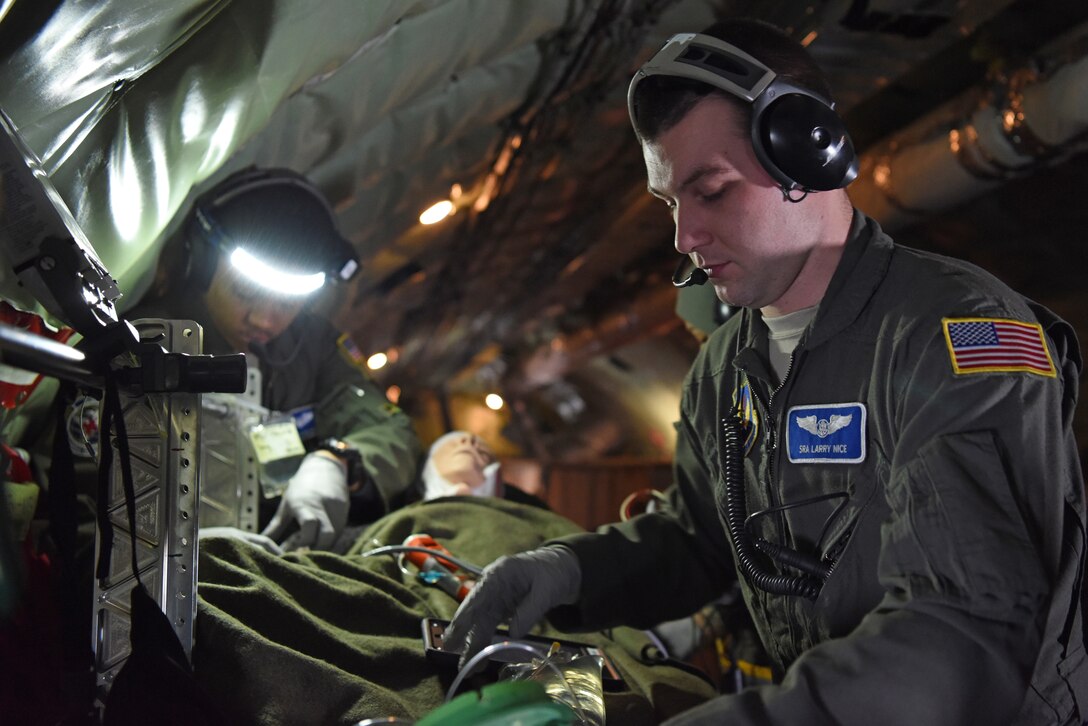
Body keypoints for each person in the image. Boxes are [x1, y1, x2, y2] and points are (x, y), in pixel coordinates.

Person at [446, 18, 1088, 724]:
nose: (683, 237)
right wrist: (565, 570)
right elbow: (698, 537)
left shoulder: (957, 334)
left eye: (711, 190)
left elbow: (964, 632)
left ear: (807, 159)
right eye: (670, 202)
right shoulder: (724, 366)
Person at [131, 167, 421, 550]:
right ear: (201, 263)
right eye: (245, 291)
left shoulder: (314, 346)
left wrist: (339, 462)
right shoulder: (148, 346)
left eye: (288, 303)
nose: (266, 319)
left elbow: (391, 430)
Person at [419, 430, 547, 509]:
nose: (468, 441)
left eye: (483, 453)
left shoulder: (529, 515)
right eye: (453, 445)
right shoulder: (407, 519)